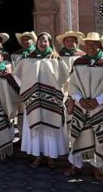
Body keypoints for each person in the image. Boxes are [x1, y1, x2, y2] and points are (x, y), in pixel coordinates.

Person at [64, 32, 103, 179]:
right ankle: (76, 163)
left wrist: (98, 100)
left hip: (100, 105)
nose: (90, 46)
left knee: (99, 135)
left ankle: (97, 165)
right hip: (81, 104)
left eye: (94, 43)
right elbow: (73, 83)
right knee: (76, 133)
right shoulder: (78, 62)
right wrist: (79, 99)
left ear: (99, 45)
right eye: (88, 43)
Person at [13, 32, 69, 169]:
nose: (42, 43)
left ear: (50, 43)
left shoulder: (55, 59)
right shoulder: (28, 59)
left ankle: (50, 157)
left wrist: (59, 93)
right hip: (33, 100)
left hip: (51, 101)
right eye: (40, 41)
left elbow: (66, 78)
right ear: (37, 42)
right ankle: (37, 156)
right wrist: (27, 89)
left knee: (50, 127)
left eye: (45, 41)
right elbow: (18, 76)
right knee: (36, 128)